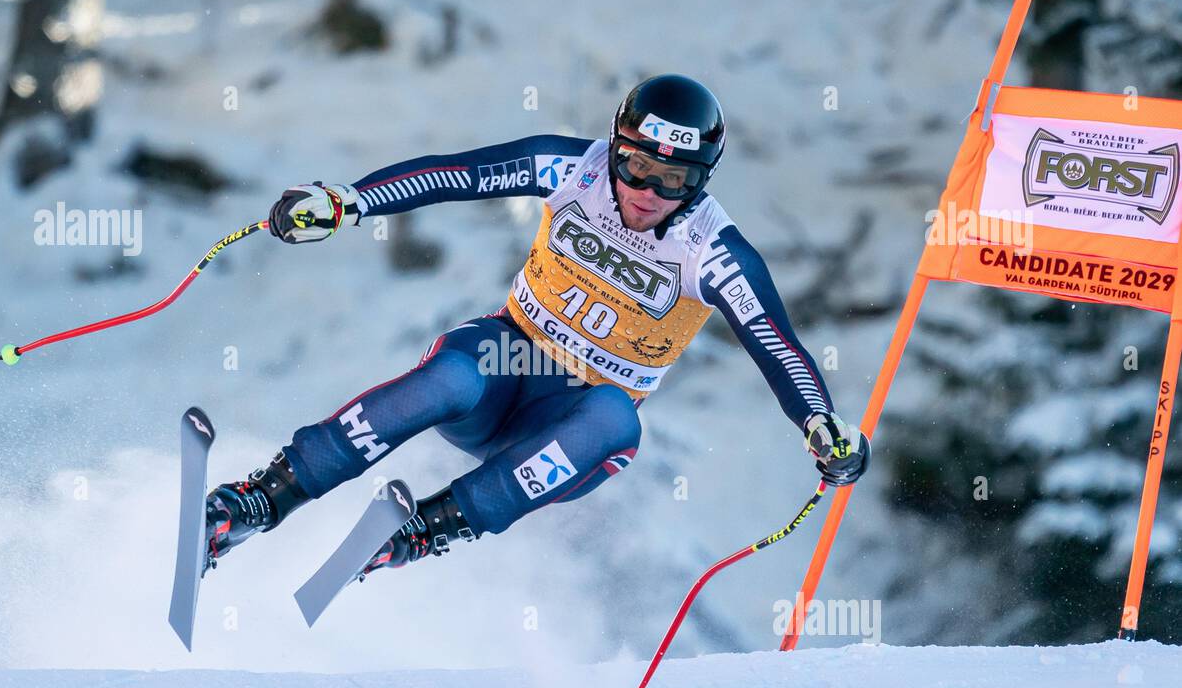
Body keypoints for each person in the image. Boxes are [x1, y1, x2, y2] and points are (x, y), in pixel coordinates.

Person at [204, 74, 870, 576]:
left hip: (567, 426)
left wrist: (821, 422)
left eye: (674, 181)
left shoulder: (713, 251)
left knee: (617, 417)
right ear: (616, 149)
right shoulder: (570, 168)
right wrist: (349, 202)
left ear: (701, 183)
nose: (646, 193)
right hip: (506, 370)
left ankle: (427, 530)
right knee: (456, 371)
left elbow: (776, 347)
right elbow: (457, 175)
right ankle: (265, 497)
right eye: (637, 166)